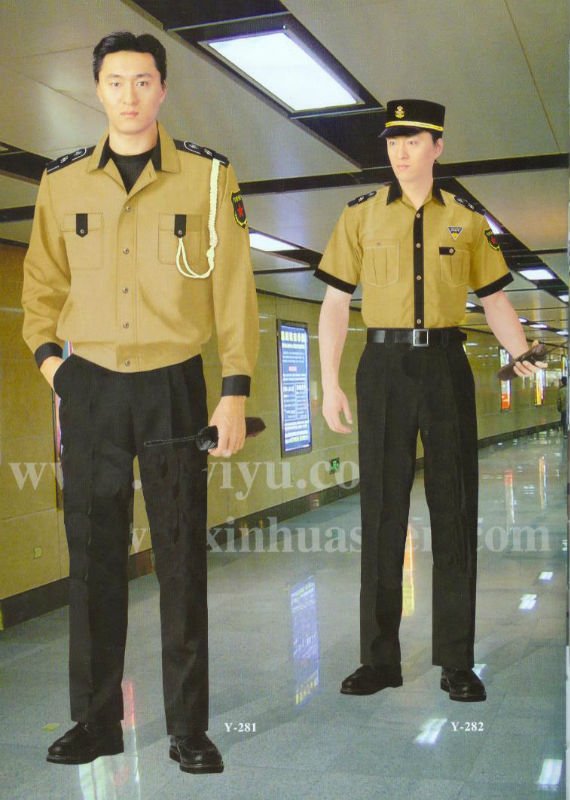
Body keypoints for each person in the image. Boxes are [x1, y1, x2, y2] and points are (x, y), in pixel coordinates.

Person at [22, 31, 258, 773]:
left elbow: (234, 291)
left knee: (181, 558)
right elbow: (41, 287)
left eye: (143, 80)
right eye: (116, 81)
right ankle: (95, 723)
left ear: (163, 89)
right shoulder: (62, 182)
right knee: (92, 558)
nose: (129, 95)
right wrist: (56, 368)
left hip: (172, 386)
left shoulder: (210, 178)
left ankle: (189, 728)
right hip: (90, 384)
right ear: (98, 89)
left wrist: (234, 391)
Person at [315, 99, 545, 702]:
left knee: (455, 511)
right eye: (393, 141)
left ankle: (456, 661)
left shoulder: (466, 222)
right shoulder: (360, 216)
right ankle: (378, 660)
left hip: (446, 366)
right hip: (383, 367)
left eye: (412, 140)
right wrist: (330, 382)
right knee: (381, 513)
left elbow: (494, 298)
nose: (400, 151)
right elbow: (335, 302)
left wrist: (520, 350)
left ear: (437, 146)